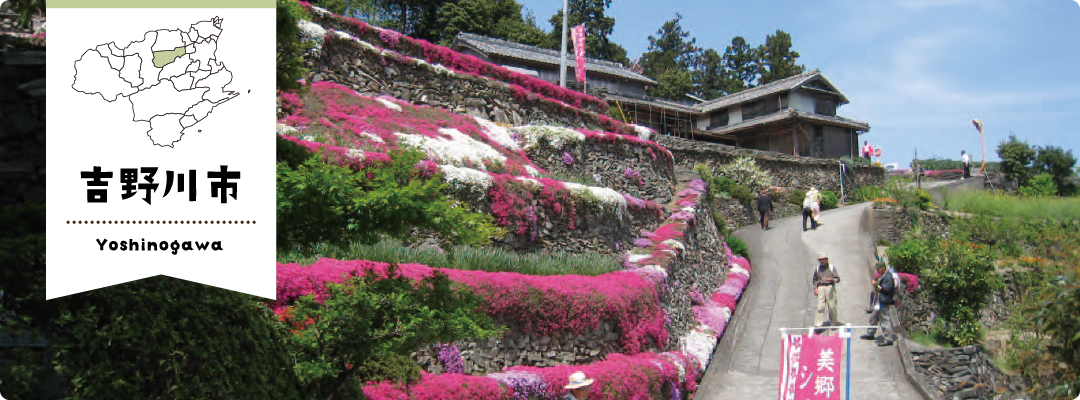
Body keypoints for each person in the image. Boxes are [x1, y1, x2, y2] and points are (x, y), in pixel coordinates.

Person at [862, 264, 897, 346]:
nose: (877, 271)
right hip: (879, 301)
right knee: (873, 318)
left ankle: (888, 339)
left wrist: (876, 285)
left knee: (885, 320)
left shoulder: (888, 277)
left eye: (878, 269)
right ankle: (870, 333)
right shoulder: (883, 276)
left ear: (882, 268)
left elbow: (886, 289)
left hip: (884, 302)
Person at [812, 253, 840, 333]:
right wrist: (815, 288)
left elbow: (837, 278)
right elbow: (815, 279)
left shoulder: (832, 268)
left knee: (832, 306)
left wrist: (832, 280)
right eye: (820, 260)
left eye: (823, 259)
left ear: (826, 259)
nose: (821, 261)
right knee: (820, 306)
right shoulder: (817, 268)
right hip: (821, 287)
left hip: (830, 287)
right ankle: (818, 325)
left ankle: (833, 323)